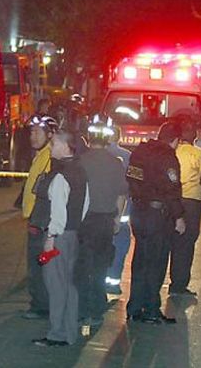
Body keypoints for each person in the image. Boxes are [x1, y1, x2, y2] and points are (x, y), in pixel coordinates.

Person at [125, 121, 187, 324]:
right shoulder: (168, 157)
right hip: (157, 215)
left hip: (139, 212)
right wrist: (179, 216)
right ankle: (151, 308)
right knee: (156, 261)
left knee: (140, 259)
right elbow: (172, 189)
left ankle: (135, 307)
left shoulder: (139, 152)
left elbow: (132, 179)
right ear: (175, 140)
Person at [31, 130, 86, 347]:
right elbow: (85, 205)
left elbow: (58, 211)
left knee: (56, 286)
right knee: (70, 285)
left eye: (54, 144)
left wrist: (51, 236)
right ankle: (70, 332)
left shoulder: (62, 175)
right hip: (73, 234)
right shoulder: (80, 171)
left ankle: (57, 333)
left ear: (65, 146)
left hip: (59, 236)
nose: (51, 148)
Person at [77, 119, 128, 330]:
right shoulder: (116, 162)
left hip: (84, 222)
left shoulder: (80, 161)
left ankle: (82, 311)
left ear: (89, 139)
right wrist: (117, 219)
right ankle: (97, 310)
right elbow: (122, 194)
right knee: (100, 267)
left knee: (82, 266)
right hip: (105, 222)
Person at [20, 114, 59, 320]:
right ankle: (40, 303)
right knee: (36, 265)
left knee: (39, 265)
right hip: (36, 218)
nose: (32, 136)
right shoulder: (40, 155)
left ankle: (41, 306)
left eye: (37, 132)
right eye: (31, 132)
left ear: (50, 134)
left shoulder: (50, 157)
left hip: (42, 220)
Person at [168, 119, 201, 296]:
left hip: (173, 201)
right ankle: (179, 284)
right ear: (194, 135)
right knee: (186, 244)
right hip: (191, 203)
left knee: (172, 242)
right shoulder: (199, 154)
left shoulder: (173, 152)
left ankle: (172, 281)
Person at [105, 125, 132, 295]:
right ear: (119, 138)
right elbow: (132, 184)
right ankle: (113, 282)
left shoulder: (95, 155)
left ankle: (99, 281)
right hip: (122, 215)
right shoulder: (128, 156)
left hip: (99, 212)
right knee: (120, 248)